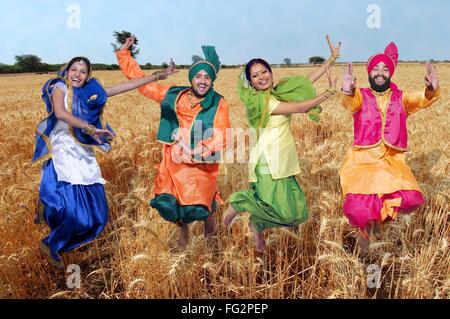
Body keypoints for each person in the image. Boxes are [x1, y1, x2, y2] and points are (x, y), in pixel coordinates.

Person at [33, 56, 178, 267]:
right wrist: (90, 128)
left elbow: (123, 87)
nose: (77, 74)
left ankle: (58, 243)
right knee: (72, 210)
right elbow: (60, 113)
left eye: (83, 71)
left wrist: (158, 75)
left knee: (98, 216)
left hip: (84, 151)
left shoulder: (88, 93)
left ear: (88, 75)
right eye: (74, 69)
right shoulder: (60, 86)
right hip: (64, 150)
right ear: (67, 70)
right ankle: (52, 241)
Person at [223, 36, 341, 252]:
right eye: (255, 75)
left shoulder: (276, 93)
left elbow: (306, 81)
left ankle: (257, 224)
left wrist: (331, 59)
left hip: (283, 159)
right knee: (280, 209)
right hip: (268, 160)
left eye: (264, 71)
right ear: (250, 82)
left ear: (270, 72)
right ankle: (239, 203)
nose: (261, 77)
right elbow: (298, 108)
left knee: (295, 212)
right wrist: (328, 93)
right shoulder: (263, 101)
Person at [116, 37, 230, 250]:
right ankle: (184, 232)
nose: (202, 81)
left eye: (207, 77)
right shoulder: (174, 95)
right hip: (174, 158)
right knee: (173, 200)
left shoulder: (218, 102)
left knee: (201, 198)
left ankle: (209, 226)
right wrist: (124, 54)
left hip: (201, 158)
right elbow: (143, 85)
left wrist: (197, 151)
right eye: (198, 76)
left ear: (212, 80)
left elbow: (222, 134)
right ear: (191, 79)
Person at [340, 42, 441, 252]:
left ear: (390, 73)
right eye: (376, 69)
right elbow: (350, 101)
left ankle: (373, 232)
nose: (380, 73)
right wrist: (347, 90)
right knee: (361, 207)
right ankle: (364, 243)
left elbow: (419, 99)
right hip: (363, 161)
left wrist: (430, 90)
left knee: (403, 198)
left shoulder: (400, 97)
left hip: (390, 161)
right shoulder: (361, 96)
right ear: (369, 73)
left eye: (385, 69)